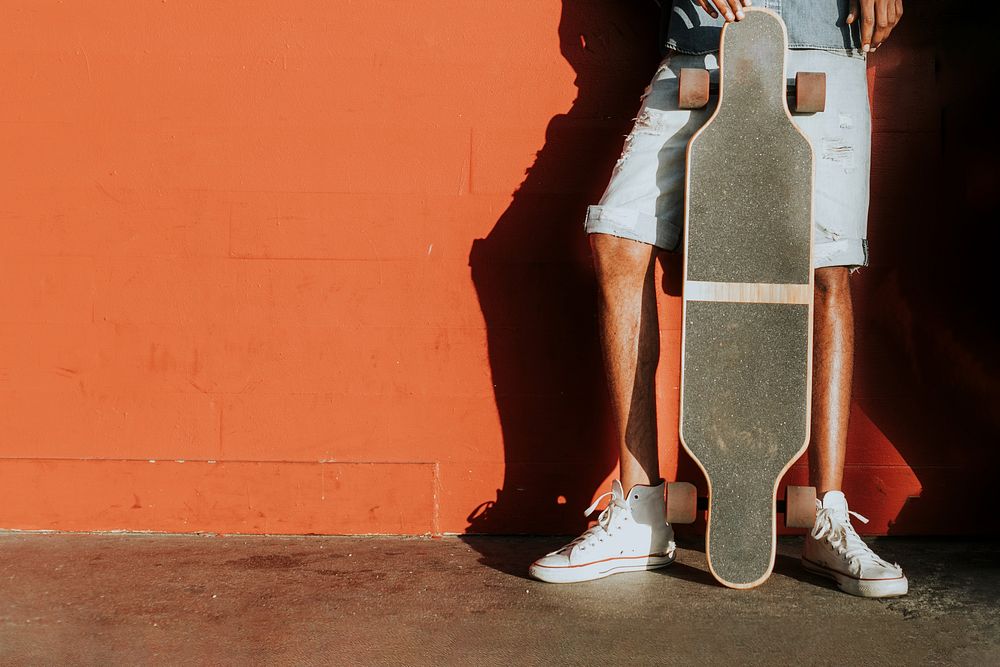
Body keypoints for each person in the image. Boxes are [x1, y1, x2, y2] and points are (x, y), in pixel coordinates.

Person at [529, 0, 908, 598]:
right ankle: (641, 510)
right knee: (618, 237)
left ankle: (827, 516)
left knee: (830, 268)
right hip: (699, 50)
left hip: (826, 43)